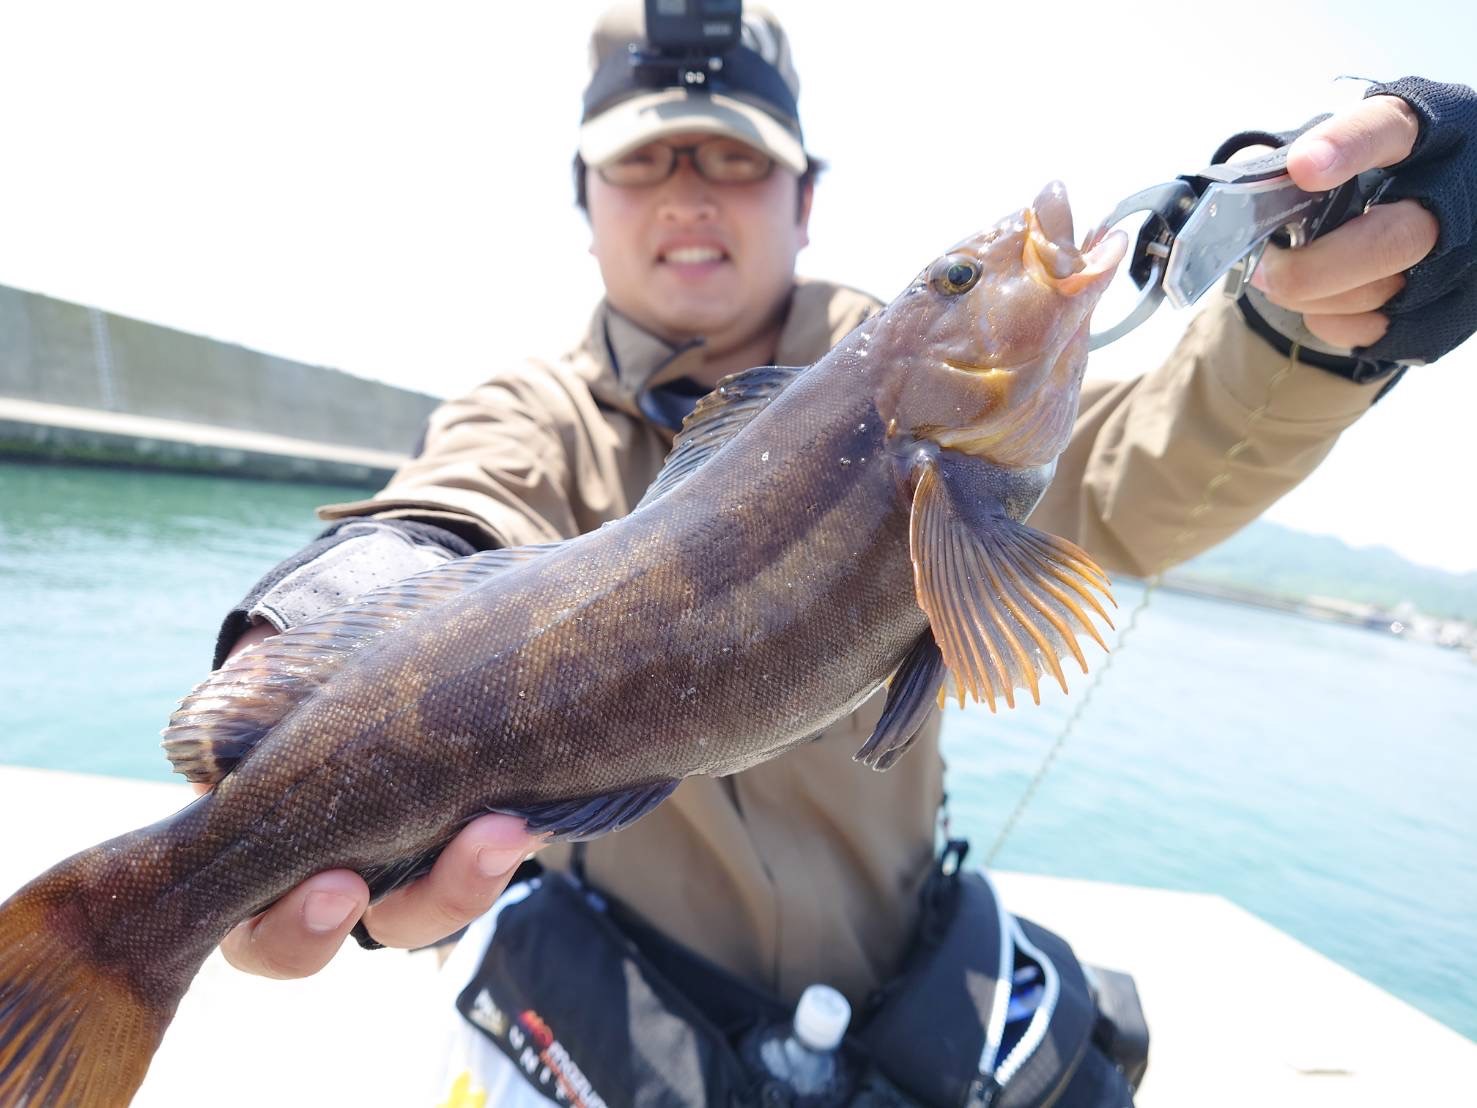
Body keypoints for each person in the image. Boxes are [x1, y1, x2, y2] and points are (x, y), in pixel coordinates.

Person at [202, 2, 1475, 1100]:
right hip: (619, 1015)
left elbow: (1131, 478)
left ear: (805, 198)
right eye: (647, 163)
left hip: (896, 991)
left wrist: (1315, 330)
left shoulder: (896, 366)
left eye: (734, 160)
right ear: (582, 204)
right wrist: (328, 649)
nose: (691, 193)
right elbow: (457, 502)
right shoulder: (527, 407)